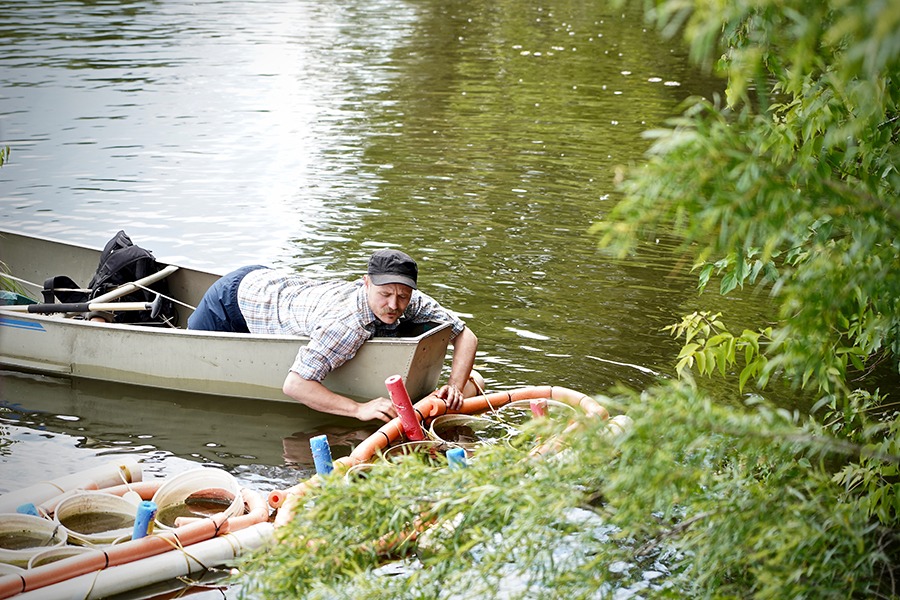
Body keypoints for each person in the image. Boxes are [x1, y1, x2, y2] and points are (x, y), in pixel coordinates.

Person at [187, 249, 478, 423]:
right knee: (191, 354)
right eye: (385, 294)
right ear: (366, 283)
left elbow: (466, 336)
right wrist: (358, 409)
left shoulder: (410, 300)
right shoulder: (346, 325)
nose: (394, 305)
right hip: (235, 300)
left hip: (275, 284)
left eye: (402, 296)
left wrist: (455, 384)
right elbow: (296, 384)